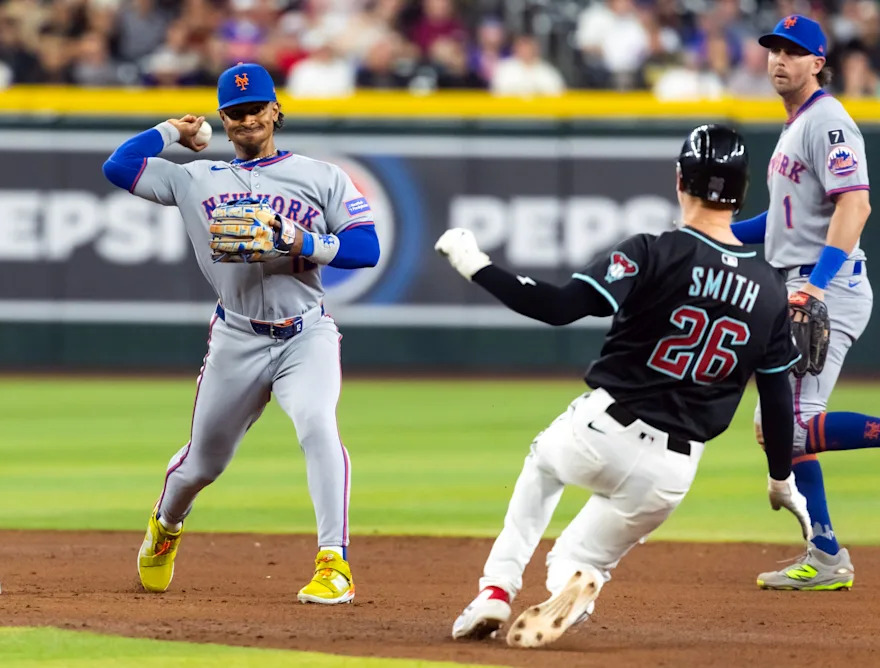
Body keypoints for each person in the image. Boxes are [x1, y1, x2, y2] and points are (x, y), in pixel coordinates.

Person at [437, 125, 811, 648]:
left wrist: (475, 264)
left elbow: (557, 307)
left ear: (680, 179)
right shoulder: (772, 287)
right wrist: (779, 479)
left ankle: (496, 591)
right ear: (744, 190)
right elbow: (775, 398)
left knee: (543, 466)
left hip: (603, 429)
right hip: (672, 470)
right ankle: (576, 583)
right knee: (575, 560)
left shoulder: (654, 250)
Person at [102, 62, 380, 604]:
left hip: (307, 332)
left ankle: (334, 563)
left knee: (318, 425)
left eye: (257, 109)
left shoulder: (321, 176)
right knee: (201, 464)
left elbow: (366, 249)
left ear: (276, 109)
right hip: (236, 337)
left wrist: (300, 239)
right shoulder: (194, 178)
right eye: (236, 112)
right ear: (224, 120)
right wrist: (173, 132)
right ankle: (165, 528)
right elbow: (119, 166)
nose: (248, 119)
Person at [733, 15, 872, 591]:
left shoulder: (828, 122)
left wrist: (815, 284)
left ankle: (827, 553)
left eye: (793, 51)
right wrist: (717, 232)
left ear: (818, 62)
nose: (779, 60)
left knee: (787, 431)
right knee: (776, 427)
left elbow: (855, 207)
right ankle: (825, 550)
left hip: (824, 288)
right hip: (800, 283)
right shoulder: (796, 128)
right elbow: (782, 221)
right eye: (773, 49)